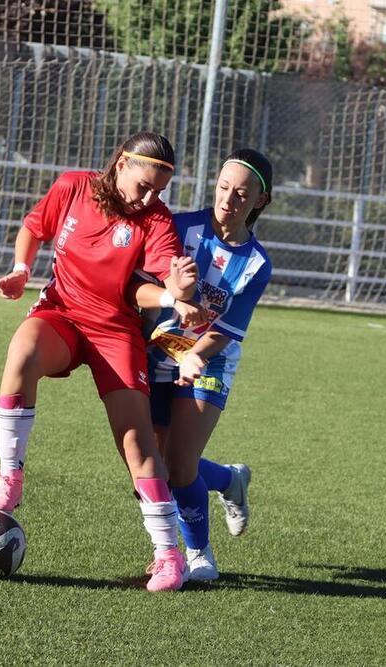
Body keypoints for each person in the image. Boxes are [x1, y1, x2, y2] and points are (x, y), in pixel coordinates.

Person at [0, 132, 200, 592]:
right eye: (144, 184)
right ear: (121, 163)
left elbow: (153, 282)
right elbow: (34, 228)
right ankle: (10, 477)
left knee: (137, 444)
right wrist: (22, 269)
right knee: (21, 351)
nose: (151, 196)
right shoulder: (72, 187)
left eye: (160, 189)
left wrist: (174, 291)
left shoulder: (156, 220)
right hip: (62, 312)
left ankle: (168, 556)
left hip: (116, 330)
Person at [130, 148, 274, 582]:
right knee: (158, 462)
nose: (228, 199)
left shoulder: (256, 264)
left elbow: (228, 328)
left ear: (259, 202)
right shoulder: (179, 226)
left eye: (241, 193)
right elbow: (143, 282)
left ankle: (199, 555)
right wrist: (172, 289)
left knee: (180, 463)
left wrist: (195, 354)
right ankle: (229, 481)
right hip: (158, 353)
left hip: (209, 359)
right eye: (223, 187)